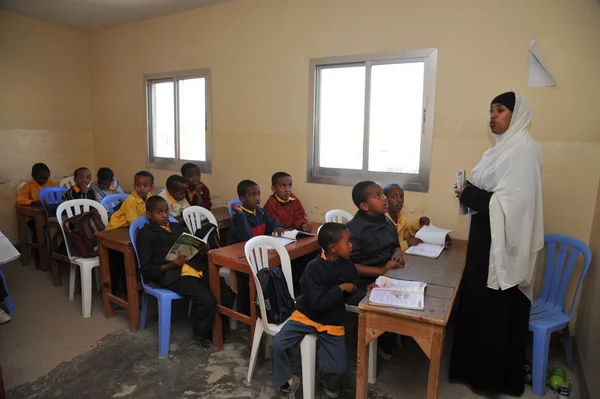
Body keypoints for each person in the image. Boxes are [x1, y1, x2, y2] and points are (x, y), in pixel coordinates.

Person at [449, 92, 544, 396]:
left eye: (500, 110)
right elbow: (495, 193)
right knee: (478, 304)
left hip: (505, 245)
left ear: (516, 115)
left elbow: (512, 205)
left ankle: (493, 381)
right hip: (486, 239)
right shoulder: (499, 150)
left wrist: (468, 194)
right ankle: (471, 371)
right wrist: (468, 190)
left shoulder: (524, 151)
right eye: (490, 110)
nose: (492, 116)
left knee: (496, 311)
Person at [270, 223, 359, 399]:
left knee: (338, 368)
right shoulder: (314, 268)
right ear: (333, 248)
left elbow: (352, 293)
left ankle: (326, 377)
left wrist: (364, 291)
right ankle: (288, 382)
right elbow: (317, 303)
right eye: (348, 242)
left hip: (331, 320)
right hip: (307, 315)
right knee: (277, 345)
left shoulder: (347, 266)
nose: (351, 246)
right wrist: (340, 288)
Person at [136, 196, 234, 348]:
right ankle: (201, 334)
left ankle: (221, 330)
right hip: (171, 274)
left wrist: (202, 248)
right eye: (159, 212)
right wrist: (169, 266)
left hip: (194, 267)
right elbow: (146, 268)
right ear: (149, 215)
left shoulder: (175, 227)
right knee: (207, 299)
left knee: (226, 293)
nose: (164, 215)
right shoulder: (146, 233)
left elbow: (190, 249)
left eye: (166, 211)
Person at [346, 180, 405, 359]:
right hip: (362, 282)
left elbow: (395, 245)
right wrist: (380, 271)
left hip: (387, 274)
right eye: (378, 196)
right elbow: (349, 267)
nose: (385, 199)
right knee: (390, 299)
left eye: (383, 194)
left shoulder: (386, 222)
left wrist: (398, 253)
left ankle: (391, 334)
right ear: (364, 205)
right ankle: (380, 339)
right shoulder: (353, 229)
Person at [229, 179, 284, 315]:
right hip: (241, 256)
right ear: (242, 198)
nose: (258, 198)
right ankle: (249, 311)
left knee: (277, 269)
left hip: (258, 253)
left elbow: (272, 222)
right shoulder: (238, 217)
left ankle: (273, 305)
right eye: (252, 195)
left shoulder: (260, 212)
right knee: (254, 277)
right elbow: (247, 235)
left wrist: (277, 226)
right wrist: (241, 214)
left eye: (258, 194)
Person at [383, 184, 430, 251]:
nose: (399, 200)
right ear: (385, 200)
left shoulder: (400, 218)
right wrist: (407, 243)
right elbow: (386, 249)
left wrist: (419, 222)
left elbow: (406, 234)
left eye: (401, 196)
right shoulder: (382, 222)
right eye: (394, 196)